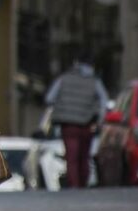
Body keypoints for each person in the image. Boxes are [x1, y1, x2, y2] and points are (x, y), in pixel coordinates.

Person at [45, 56, 108, 188]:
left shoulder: (63, 79)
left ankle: (74, 185)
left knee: (71, 157)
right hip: (87, 124)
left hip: (68, 125)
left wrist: (63, 105)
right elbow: (104, 101)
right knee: (84, 156)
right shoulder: (94, 81)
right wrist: (99, 121)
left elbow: (49, 98)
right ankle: (83, 184)